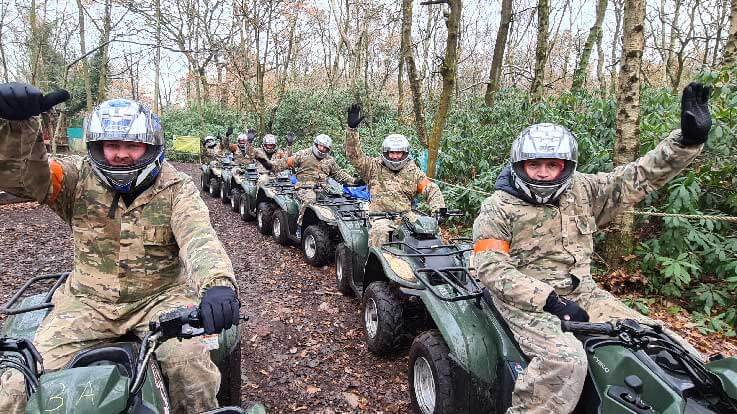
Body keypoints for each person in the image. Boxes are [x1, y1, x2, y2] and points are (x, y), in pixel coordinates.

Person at [472, 82, 712, 414]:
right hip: (525, 302)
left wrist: (686, 142)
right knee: (566, 361)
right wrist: (550, 300)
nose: (543, 174)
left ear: (566, 167)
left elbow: (636, 177)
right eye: (535, 165)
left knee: (661, 340)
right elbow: (491, 268)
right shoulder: (498, 207)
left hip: (584, 292)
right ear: (520, 165)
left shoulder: (583, 189)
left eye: (552, 165)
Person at [0, 83, 241, 414]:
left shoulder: (176, 189)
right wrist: (17, 127)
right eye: (112, 145)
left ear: (151, 146)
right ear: (97, 147)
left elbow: (198, 236)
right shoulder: (75, 177)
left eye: (132, 145)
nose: (122, 153)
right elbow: (24, 181)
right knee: (16, 381)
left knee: (191, 369)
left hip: (159, 298)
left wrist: (217, 284)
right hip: (86, 303)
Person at [344, 104, 445, 247]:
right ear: (386, 152)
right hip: (380, 216)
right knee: (380, 232)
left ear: (405, 153)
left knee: (432, 231)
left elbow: (430, 188)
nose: (395, 156)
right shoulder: (373, 166)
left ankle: (432, 266)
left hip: (406, 216)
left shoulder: (412, 171)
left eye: (399, 153)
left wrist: (438, 210)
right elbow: (354, 156)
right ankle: (377, 267)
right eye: (392, 153)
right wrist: (352, 130)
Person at [255, 132, 355, 227]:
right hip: (304, 187)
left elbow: (338, 174)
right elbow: (285, 162)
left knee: (341, 202)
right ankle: (300, 225)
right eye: (321, 146)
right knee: (310, 199)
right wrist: (269, 165)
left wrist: (354, 181)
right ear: (316, 144)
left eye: (325, 148)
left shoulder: (330, 160)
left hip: (324, 188)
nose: (322, 149)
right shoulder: (303, 155)